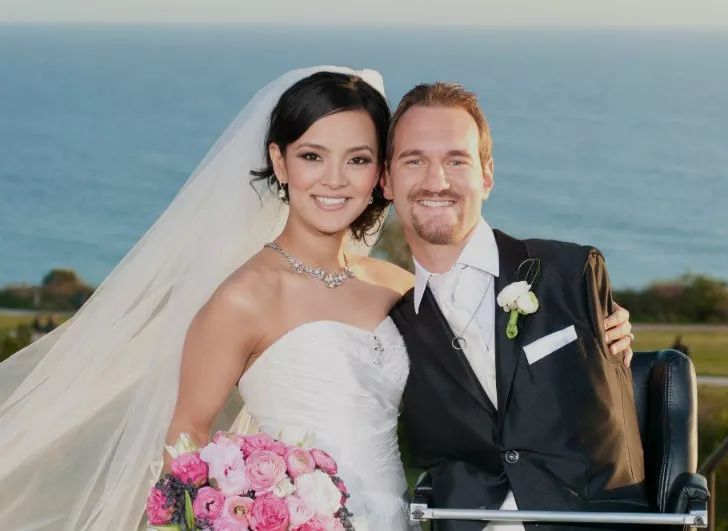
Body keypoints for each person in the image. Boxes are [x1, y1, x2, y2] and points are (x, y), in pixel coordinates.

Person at [0, 67, 633, 530]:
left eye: (356, 159)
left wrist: (602, 338)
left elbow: (483, 385)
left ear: (378, 176)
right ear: (280, 163)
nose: (334, 180)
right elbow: (186, 441)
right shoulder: (242, 298)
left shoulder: (398, 288)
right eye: (312, 156)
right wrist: (230, 514)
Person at [387, 83, 645, 531]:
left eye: (456, 160)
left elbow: (615, 411)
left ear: (487, 175)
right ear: (387, 181)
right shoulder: (390, 324)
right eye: (414, 161)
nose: (436, 181)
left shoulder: (572, 273)